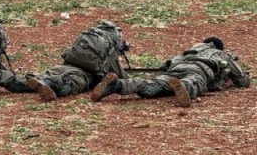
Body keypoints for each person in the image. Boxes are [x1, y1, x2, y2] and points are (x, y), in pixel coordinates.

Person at [0, 21, 127, 101]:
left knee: (26, 80)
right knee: (66, 85)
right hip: (83, 75)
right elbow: (118, 75)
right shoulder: (110, 47)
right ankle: (45, 82)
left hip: (64, 66)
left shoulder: (91, 36)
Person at [90, 36, 250, 107]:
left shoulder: (189, 51)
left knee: (152, 86)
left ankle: (117, 85)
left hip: (175, 69)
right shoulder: (221, 54)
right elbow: (242, 81)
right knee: (193, 82)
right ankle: (183, 87)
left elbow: (166, 65)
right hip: (199, 70)